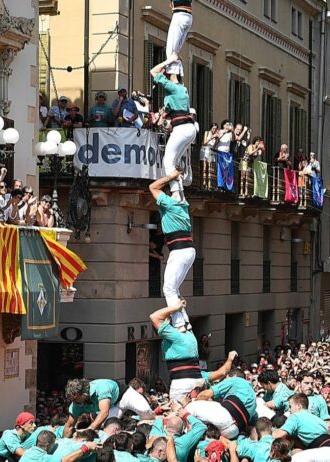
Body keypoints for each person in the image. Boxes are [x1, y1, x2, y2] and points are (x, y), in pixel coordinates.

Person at [148, 171, 193, 331]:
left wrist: (170, 177)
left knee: (168, 288)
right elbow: (178, 193)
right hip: (187, 251)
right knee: (174, 289)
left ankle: (180, 324)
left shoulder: (171, 204)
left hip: (179, 251)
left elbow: (152, 187)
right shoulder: (184, 206)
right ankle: (184, 320)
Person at [150, 54, 195, 198]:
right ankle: (179, 190)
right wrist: (161, 116)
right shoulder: (182, 90)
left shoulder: (174, 88)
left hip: (182, 129)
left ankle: (175, 192)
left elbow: (153, 71)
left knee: (167, 160)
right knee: (173, 161)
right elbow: (169, 112)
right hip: (188, 129)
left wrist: (168, 60)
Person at [149, 302, 203, 400]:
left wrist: (175, 307)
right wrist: (179, 305)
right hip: (198, 381)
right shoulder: (190, 335)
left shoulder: (176, 337)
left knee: (178, 412)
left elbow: (154, 317)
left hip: (182, 383)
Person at [187, 370, 257, 438]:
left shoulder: (235, 380)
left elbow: (205, 395)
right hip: (233, 432)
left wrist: (193, 401)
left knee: (190, 407)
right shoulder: (254, 397)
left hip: (224, 417)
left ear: (229, 376)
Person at [271, 394, 330, 462]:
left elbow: (278, 435)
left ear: (299, 406)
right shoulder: (319, 420)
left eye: (290, 406)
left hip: (324, 453)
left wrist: (267, 431)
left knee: (293, 459)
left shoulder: (295, 416)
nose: (289, 410)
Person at [165, 0, 193, 77]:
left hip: (179, 15)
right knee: (175, 52)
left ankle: (173, 77)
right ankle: (178, 73)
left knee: (171, 52)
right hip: (188, 16)